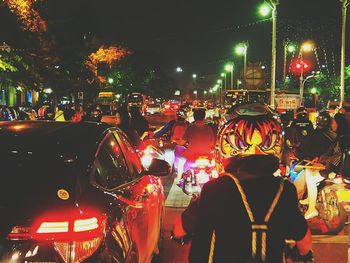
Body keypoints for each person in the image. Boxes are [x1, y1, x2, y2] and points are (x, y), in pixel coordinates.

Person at [173, 103, 312, 263]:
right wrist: (302, 254)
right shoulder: (285, 189)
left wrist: (179, 236)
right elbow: (305, 242)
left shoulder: (214, 189)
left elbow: (179, 229)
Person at [294, 111, 341, 219]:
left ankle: (311, 208)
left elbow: (335, 156)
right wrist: (319, 159)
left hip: (331, 168)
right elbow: (329, 152)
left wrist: (322, 161)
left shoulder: (317, 134)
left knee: (309, 175)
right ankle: (311, 198)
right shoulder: (336, 136)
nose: (333, 125)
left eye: (335, 123)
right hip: (328, 165)